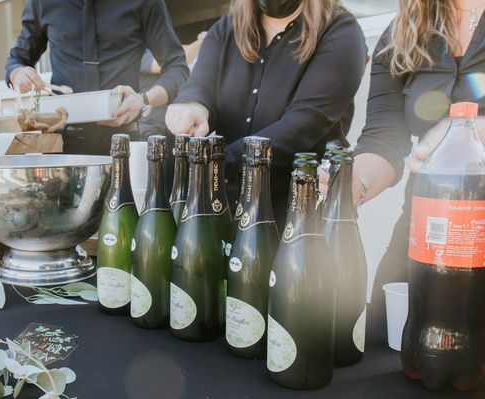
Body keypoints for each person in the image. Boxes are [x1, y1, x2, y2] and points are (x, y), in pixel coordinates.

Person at [348, 0, 485, 343]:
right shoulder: (402, 32)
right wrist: (352, 185)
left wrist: (462, 133)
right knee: (381, 342)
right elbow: (384, 139)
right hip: (423, 233)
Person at [165, 0, 367, 228]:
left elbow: (304, 124)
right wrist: (194, 106)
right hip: (226, 209)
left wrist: (215, 161)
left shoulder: (340, 31)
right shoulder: (226, 28)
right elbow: (200, 84)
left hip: (299, 217)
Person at [5, 0, 189, 154]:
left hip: (122, 143)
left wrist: (144, 100)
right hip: (60, 144)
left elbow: (177, 68)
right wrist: (19, 74)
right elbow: (17, 61)